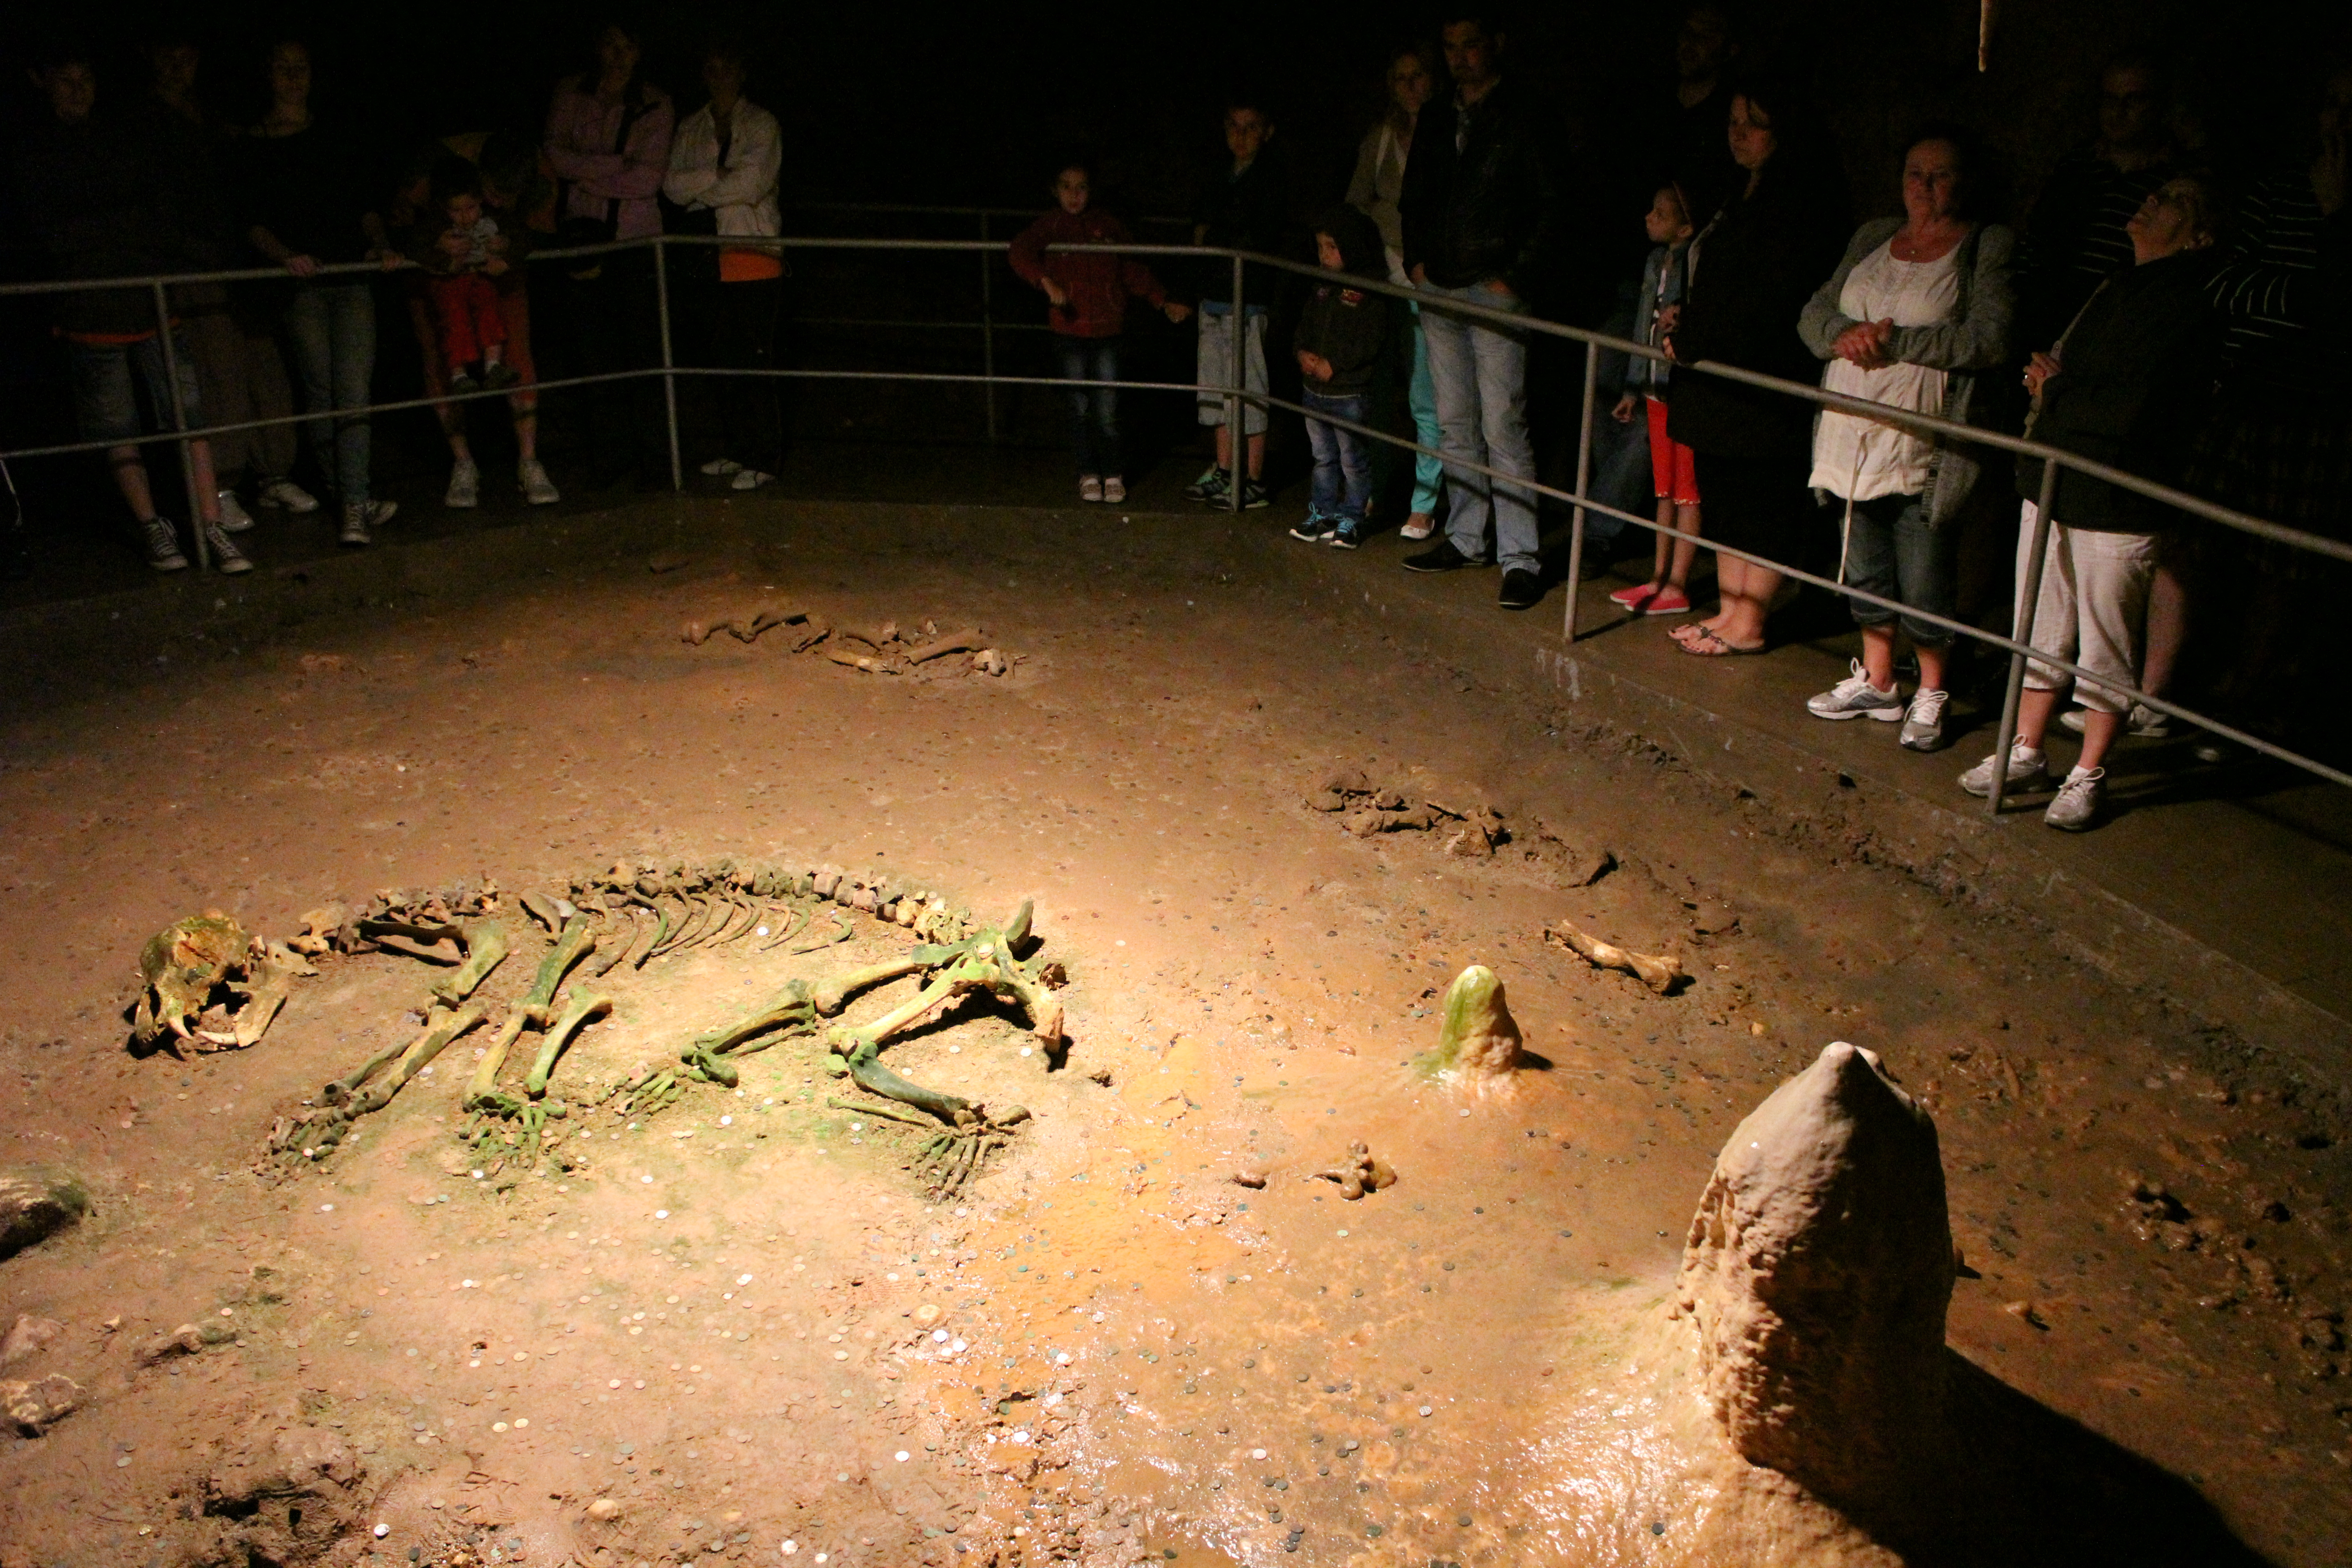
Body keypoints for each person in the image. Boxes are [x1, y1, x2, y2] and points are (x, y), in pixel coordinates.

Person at [1959, 174, 2222, 831]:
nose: (2152, 202)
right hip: (2054, 476)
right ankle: (2026, 749)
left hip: (2115, 493)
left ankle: (2089, 770)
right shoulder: (2115, 284)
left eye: (2174, 202)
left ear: (2200, 236)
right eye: (2155, 193)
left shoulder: (2189, 307)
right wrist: (2053, 387)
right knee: (2041, 624)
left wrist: (2058, 390)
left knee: (2105, 639)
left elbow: (2137, 407)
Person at [1797, 128, 2017, 752]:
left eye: (1940, 174)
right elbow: (1814, 313)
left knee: (1924, 573)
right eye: (1915, 173)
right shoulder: (1873, 236)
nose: (1924, 186)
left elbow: (1989, 338)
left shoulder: (1985, 247)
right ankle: (1880, 679)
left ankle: (1933, 691)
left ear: (1965, 182)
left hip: (1922, 443)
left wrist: (1892, 345)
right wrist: (1846, 335)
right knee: (1863, 563)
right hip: (1850, 433)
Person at [12, 47, 250, 573]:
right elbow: (52, 235)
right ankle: (152, 527)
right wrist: (113, 231)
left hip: (150, 299)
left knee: (187, 418)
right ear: (43, 82)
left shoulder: (120, 139)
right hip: (90, 311)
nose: (78, 89)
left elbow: (156, 213)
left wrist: (125, 232)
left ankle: (211, 526)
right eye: (66, 79)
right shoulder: (35, 153)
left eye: (85, 77)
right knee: (117, 425)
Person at [1662, 78, 1848, 654]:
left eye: (1755, 122)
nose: (1739, 134)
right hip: (1717, 377)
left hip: (1762, 379)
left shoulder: (1804, 203)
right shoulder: (1735, 191)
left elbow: (1770, 298)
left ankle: (1751, 620)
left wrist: (1696, 336)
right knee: (1725, 493)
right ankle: (1729, 609)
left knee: (1761, 497)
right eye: (1733, 122)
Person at [1398, 9, 1554, 612]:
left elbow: (1551, 202)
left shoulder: (1525, 113)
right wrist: (1417, 261)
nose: (1460, 57)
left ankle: (1520, 557)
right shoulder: (1439, 114)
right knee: (1455, 419)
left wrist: (1513, 276)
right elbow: (1415, 197)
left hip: (1491, 287)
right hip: (1440, 282)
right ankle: (1466, 536)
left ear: (1495, 45)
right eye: (1451, 46)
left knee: (1502, 423)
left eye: (1470, 45)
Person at [143, 33, 314, 530]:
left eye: (188, 53)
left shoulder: (213, 116)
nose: (180, 63)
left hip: (243, 263)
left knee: (266, 370)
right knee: (220, 377)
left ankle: (273, 474)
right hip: (196, 268)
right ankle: (223, 484)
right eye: (169, 54)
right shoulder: (146, 124)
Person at [239, 39, 398, 548]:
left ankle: (353, 502)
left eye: (300, 67)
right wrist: (285, 255)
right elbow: (252, 221)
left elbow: (364, 203)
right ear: (267, 74)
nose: (292, 77)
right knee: (322, 394)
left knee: (353, 392)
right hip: (304, 284)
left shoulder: (336, 132)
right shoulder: (257, 142)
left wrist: (378, 245)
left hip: (350, 276)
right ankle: (351, 496)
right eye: (282, 68)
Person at [390, 136, 563, 510]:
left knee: (517, 352)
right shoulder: (429, 174)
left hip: (493, 275)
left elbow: (534, 237)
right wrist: (439, 254)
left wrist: (508, 256)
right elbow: (403, 234)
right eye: (494, 193)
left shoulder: (541, 181)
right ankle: (464, 462)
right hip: (438, 278)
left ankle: (529, 460)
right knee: (441, 354)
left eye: (509, 198)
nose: (499, 203)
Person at [1008, 160, 1190, 505]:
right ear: (1054, 190)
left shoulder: (1108, 225)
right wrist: (1045, 281)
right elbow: (1019, 251)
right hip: (1069, 329)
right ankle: (1087, 472)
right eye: (1066, 186)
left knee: (1107, 406)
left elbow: (1131, 267)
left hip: (1107, 331)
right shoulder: (1051, 226)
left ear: (1092, 191)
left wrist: (1162, 299)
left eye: (1082, 187)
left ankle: (1112, 472)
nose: (1074, 195)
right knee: (1078, 405)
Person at [545, 20, 675, 488]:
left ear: (640, 52)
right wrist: (612, 165)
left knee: (643, 353)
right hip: (584, 238)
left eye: (628, 46)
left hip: (635, 244)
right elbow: (555, 157)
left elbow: (647, 180)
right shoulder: (570, 92)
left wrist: (585, 173)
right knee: (595, 354)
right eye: (611, 45)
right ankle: (611, 460)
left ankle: (657, 459)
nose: (619, 56)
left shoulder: (656, 103)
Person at [664, 39, 788, 492]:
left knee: (754, 359)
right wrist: (719, 180)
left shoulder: (762, 123)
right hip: (706, 256)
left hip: (753, 252)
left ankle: (764, 457)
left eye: (728, 67)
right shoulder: (691, 125)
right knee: (721, 358)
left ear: (742, 73)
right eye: (711, 67)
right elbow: (672, 187)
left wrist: (703, 189)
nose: (719, 76)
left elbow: (754, 183)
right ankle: (737, 449)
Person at [1346, 42, 1446, 540]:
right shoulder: (1381, 139)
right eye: (1400, 78)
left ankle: (1424, 502)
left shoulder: (1451, 134)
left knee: (1426, 400)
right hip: (1385, 282)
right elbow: (1355, 205)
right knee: (1380, 395)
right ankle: (1371, 492)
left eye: (1419, 76)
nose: (1411, 87)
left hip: (1430, 286)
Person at [2019, 52, 2181, 351]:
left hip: (2119, 330)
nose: (2118, 111)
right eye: (2110, 99)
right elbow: (2038, 239)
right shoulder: (2076, 166)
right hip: (2047, 322)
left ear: (2159, 106)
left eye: (2133, 100)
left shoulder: (2176, 182)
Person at [1185, 97, 1296, 510]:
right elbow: (1199, 224)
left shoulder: (1272, 178)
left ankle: (1253, 477)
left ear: (1266, 132)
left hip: (1248, 298)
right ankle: (1224, 468)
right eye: (1234, 125)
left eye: (1251, 127)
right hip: (1213, 295)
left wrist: (1217, 236)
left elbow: (1256, 234)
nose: (1241, 136)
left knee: (1248, 388)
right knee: (1216, 388)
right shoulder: (1218, 173)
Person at [1609, 181, 1701, 617]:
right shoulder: (1653, 262)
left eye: (1661, 214)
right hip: (1653, 386)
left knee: (1687, 491)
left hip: (1681, 389)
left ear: (1685, 229)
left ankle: (1678, 583)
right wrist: (1631, 386)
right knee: (1663, 488)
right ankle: (1659, 577)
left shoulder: (1693, 262)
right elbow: (1639, 329)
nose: (1649, 218)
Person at [1287, 207, 1390, 549]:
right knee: (1322, 457)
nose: (1325, 255)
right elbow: (1304, 326)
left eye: (1332, 247)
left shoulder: (1369, 288)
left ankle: (1352, 518)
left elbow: (1369, 340)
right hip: (1314, 389)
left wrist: (1337, 364)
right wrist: (1302, 353)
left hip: (1348, 393)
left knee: (1352, 460)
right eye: (1320, 247)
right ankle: (1323, 513)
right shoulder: (1322, 286)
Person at [410, 166, 522, 394]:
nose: (465, 216)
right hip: (449, 284)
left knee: (488, 306)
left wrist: (505, 247)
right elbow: (415, 249)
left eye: (471, 208)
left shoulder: (493, 220)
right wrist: (442, 254)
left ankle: (494, 366)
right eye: (456, 211)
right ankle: (459, 375)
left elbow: (523, 237)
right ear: (444, 209)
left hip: (479, 278)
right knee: (454, 319)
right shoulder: (433, 228)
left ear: (480, 201)